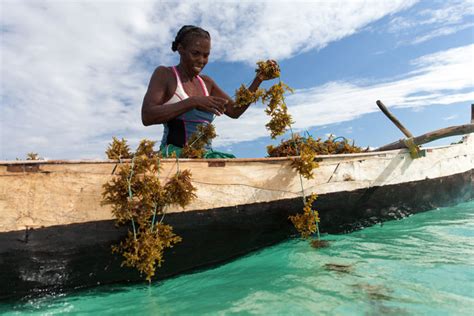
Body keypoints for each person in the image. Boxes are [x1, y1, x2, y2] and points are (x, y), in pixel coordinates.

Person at [141, 25, 276, 157]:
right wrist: (193, 102)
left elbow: (235, 111)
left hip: (204, 156)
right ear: (181, 49)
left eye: (206, 55)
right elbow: (147, 116)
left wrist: (258, 79)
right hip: (174, 157)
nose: (201, 60)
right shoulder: (165, 74)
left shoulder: (207, 83)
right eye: (195, 53)